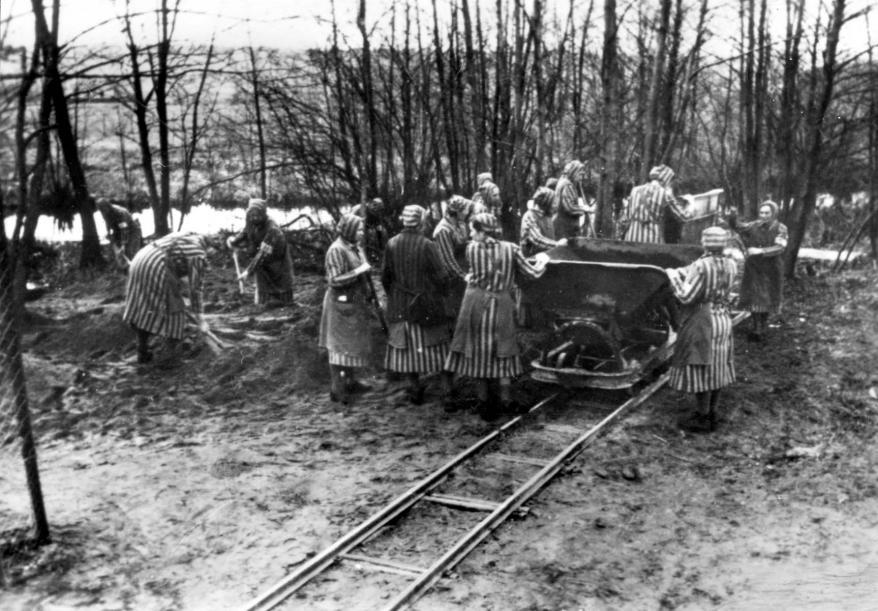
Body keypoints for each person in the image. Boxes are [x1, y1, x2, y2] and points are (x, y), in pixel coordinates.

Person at [444, 212, 549, 420]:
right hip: (500, 306)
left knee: (479, 352)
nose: (471, 234)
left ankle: (483, 401)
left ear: (483, 232)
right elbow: (532, 274)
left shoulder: (471, 249)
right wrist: (542, 260)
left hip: (475, 305)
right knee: (504, 352)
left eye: (474, 230)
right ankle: (506, 401)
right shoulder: (511, 249)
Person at [664, 226, 737, 433]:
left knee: (702, 365)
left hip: (703, 319)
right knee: (718, 365)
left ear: (705, 243)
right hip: (723, 318)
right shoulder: (731, 263)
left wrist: (673, 276)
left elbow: (687, 296)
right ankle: (712, 412)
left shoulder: (701, 265)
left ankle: (702, 417)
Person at [381, 205, 452, 404]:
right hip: (426, 305)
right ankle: (447, 392)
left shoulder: (391, 243)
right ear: (421, 222)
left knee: (406, 350)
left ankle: (414, 389)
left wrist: (394, 296)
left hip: (400, 306)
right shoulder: (427, 244)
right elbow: (442, 276)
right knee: (439, 348)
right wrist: (443, 294)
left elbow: (385, 277)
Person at [123, 231, 210, 364]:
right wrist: (201, 319)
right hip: (156, 266)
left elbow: (181, 274)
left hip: (139, 260)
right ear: (209, 246)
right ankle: (168, 358)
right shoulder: (198, 253)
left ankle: (143, 351)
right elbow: (196, 288)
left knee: (144, 308)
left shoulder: (185, 236)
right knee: (175, 311)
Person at [318, 214, 374, 404]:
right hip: (339, 305)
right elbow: (334, 280)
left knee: (351, 347)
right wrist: (359, 271)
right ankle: (337, 389)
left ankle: (350, 382)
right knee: (339, 348)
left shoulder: (355, 247)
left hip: (353, 303)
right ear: (349, 230)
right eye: (358, 229)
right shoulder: (336, 250)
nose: (361, 233)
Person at [728, 200, 788, 340]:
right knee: (755, 296)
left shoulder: (781, 228)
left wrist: (760, 250)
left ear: (773, 213)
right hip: (754, 267)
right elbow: (738, 227)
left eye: (767, 213)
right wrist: (732, 215)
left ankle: (763, 325)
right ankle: (757, 327)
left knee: (767, 296)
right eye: (761, 212)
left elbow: (780, 247)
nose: (763, 215)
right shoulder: (754, 225)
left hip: (771, 267)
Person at [226, 198, 295, 306]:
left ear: (264, 214)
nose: (254, 218)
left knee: (282, 292)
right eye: (252, 215)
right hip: (262, 263)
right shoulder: (251, 221)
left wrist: (247, 272)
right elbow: (245, 233)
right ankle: (263, 305)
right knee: (263, 293)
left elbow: (263, 253)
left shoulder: (272, 229)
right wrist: (234, 241)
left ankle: (284, 306)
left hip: (277, 262)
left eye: (257, 215)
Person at [620, 164, 689, 243]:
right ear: (666, 180)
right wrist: (691, 202)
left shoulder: (635, 190)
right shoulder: (665, 193)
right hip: (651, 241)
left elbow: (626, 217)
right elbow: (684, 216)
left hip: (630, 239)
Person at [432, 195, 473, 322]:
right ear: (457, 212)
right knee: (455, 312)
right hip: (452, 278)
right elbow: (447, 260)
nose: (468, 213)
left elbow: (462, 243)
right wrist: (463, 276)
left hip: (461, 272)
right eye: (465, 210)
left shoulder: (458, 224)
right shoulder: (443, 230)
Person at [96, 198, 143, 270]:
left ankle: (136, 269)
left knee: (130, 251)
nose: (103, 212)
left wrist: (123, 244)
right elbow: (107, 223)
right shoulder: (104, 212)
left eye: (104, 209)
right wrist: (109, 234)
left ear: (108, 206)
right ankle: (125, 270)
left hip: (132, 231)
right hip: (118, 231)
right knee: (120, 254)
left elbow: (124, 229)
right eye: (101, 210)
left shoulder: (120, 212)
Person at [520, 186, 567, 257]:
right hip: (532, 261)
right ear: (545, 202)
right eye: (553, 203)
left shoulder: (547, 217)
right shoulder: (530, 216)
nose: (555, 206)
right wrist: (557, 244)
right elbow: (537, 239)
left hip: (547, 258)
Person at [552, 160, 593, 239]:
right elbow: (569, 207)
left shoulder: (564, 183)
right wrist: (584, 209)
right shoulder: (567, 185)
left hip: (563, 226)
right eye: (580, 175)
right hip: (564, 227)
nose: (581, 178)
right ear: (574, 172)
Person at [351, 197, 390, 263]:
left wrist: (381, 244)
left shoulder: (377, 214)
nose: (377, 211)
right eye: (375, 207)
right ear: (372, 204)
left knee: (381, 232)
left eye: (379, 210)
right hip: (357, 229)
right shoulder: (359, 208)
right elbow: (349, 220)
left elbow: (379, 227)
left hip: (368, 230)